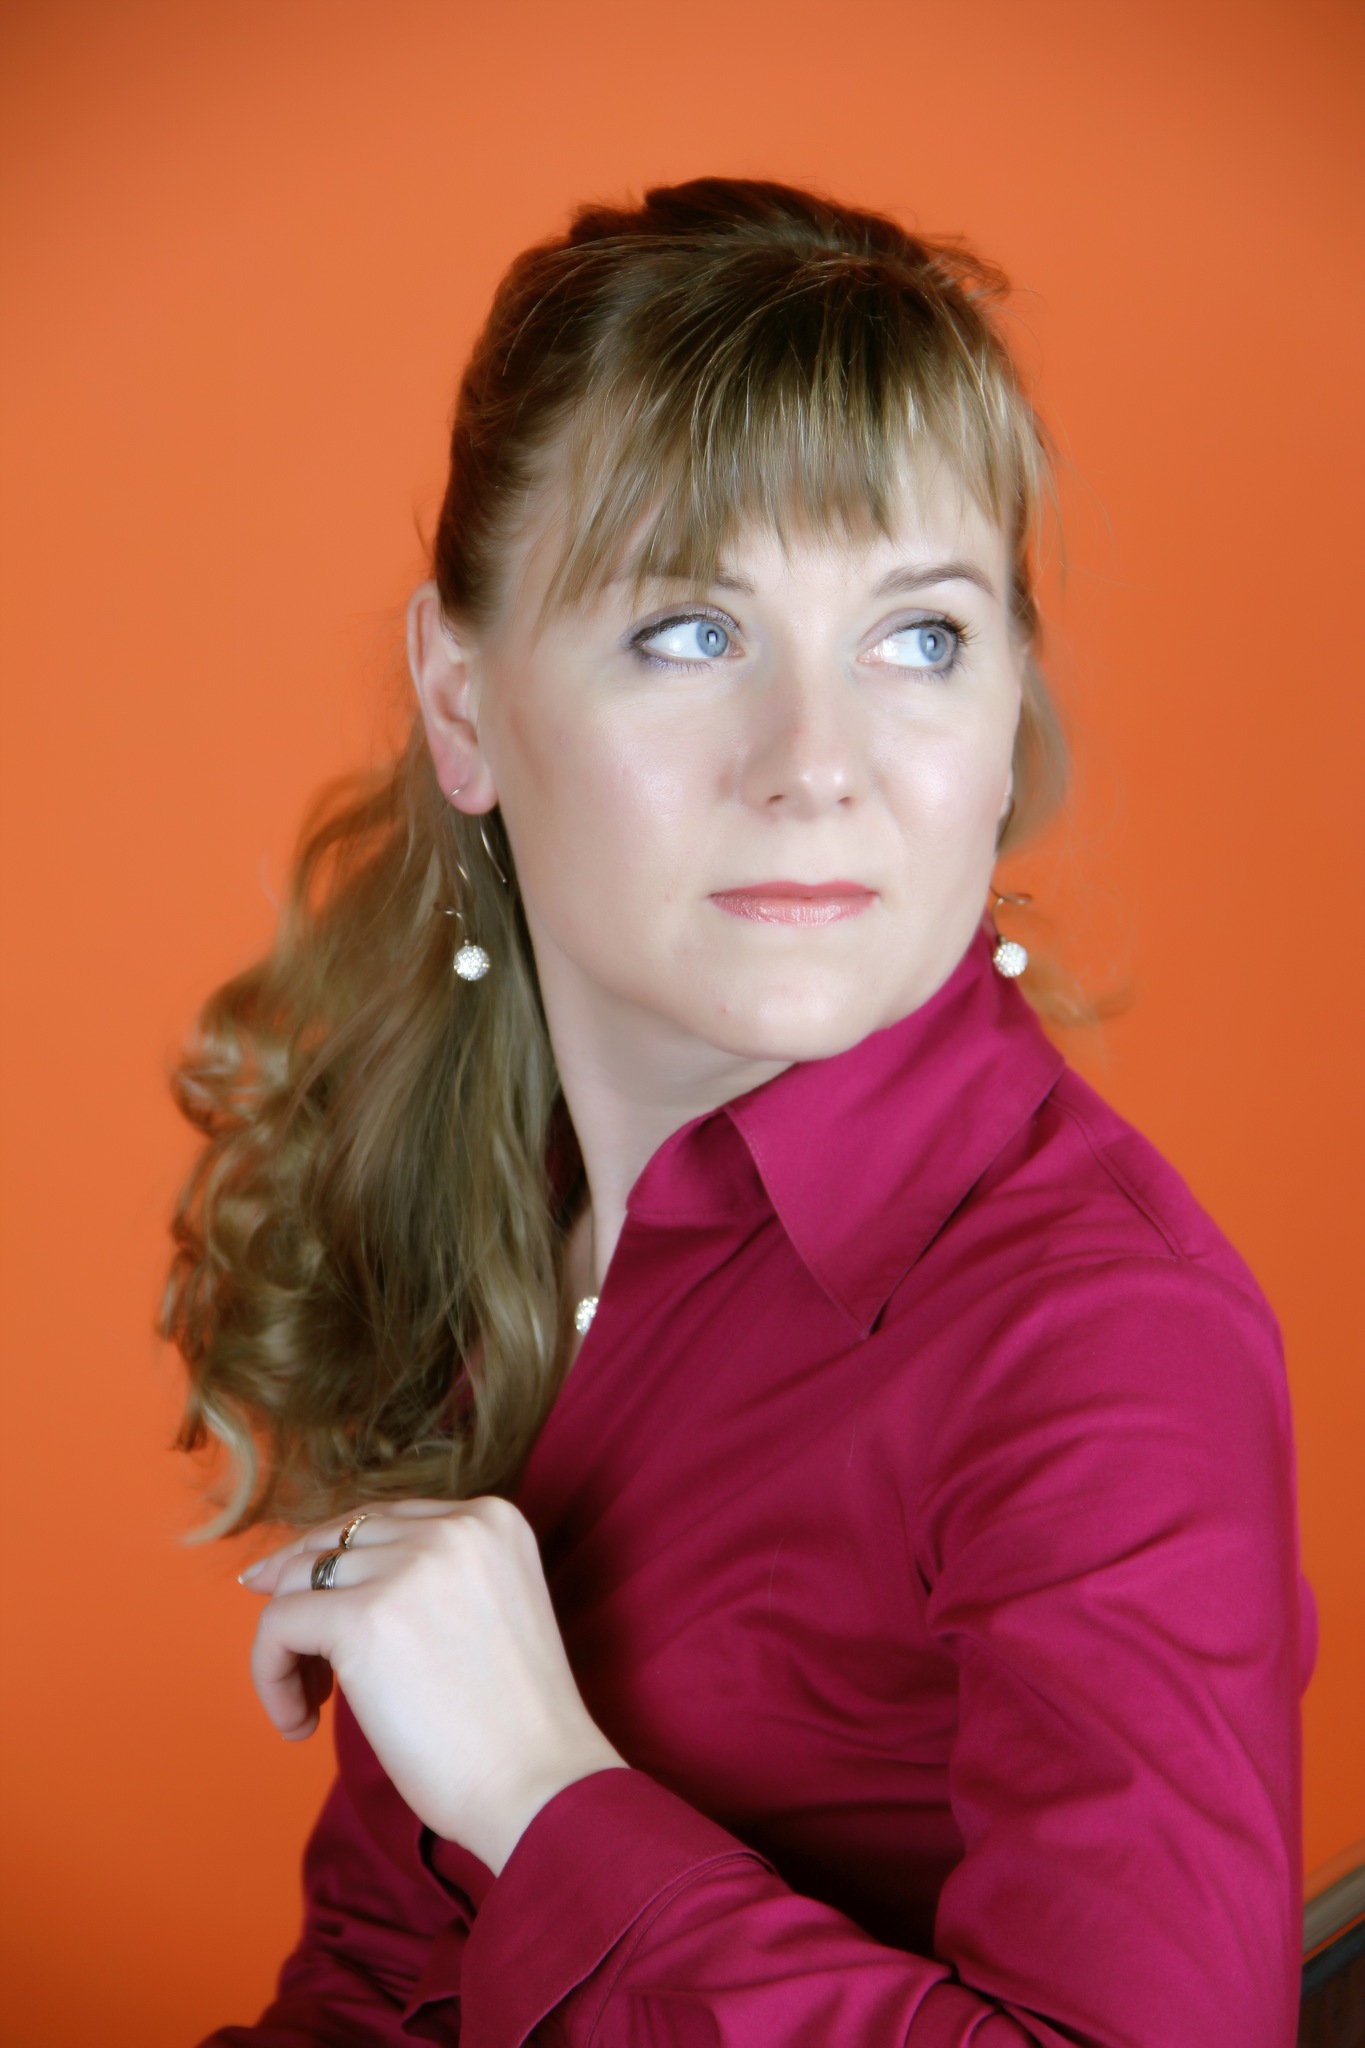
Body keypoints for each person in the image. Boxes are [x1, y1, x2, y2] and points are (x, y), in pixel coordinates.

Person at [165, 178, 1312, 2046]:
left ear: (1004, 710)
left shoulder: (1099, 1339)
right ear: (462, 701)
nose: (817, 765)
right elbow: (379, 1989)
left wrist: (538, 1790)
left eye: (918, 637)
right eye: (692, 633)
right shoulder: (504, 1194)